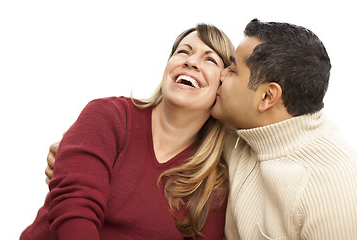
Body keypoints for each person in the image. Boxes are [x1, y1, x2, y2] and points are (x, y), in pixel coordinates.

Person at [43, 19, 357, 239]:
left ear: (266, 97)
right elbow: (76, 194)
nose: (195, 64)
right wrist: (78, 156)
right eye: (183, 52)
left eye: (228, 68)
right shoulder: (239, 133)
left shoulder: (328, 188)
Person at [20, 23, 235, 240]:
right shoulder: (108, 116)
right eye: (183, 52)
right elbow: (74, 209)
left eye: (210, 59)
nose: (190, 61)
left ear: (223, 86)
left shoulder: (212, 183)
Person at [211, 19, 357, 239]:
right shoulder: (243, 129)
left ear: (267, 96)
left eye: (232, 70)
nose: (220, 75)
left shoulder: (329, 186)